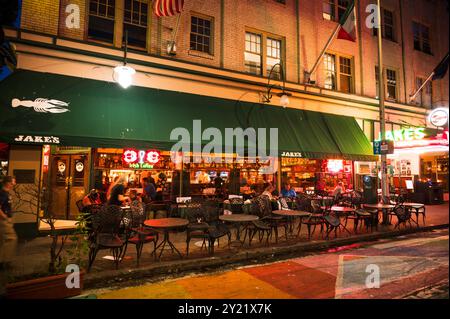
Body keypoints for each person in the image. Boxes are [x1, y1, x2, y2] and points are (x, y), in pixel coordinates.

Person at [0, 176, 17, 297]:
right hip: (3, 220)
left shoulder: (7, 193)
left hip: (6, 219)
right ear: (8, 183)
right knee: (12, 238)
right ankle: (4, 261)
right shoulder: (3, 193)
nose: (14, 184)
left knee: (3, 240)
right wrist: (5, 217)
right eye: (13, 182)